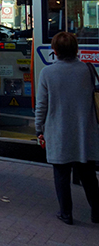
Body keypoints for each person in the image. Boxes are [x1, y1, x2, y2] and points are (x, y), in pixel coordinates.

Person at [35, 31, 99, 225]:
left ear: (54, 51)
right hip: (84, 131)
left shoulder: (47, 73)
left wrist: (39, 129)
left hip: (58, 131)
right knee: (88, 174)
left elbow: (42, 105)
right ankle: (97, 212)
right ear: (76, 49)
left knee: (61, 174)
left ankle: (66, 213)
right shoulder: (87, 70)